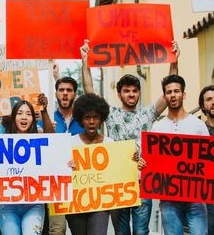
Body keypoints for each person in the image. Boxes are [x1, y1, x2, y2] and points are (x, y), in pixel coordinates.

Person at [80, 39, 180, 235]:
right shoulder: (111, 113)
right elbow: (89, 91)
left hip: (143, 182)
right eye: (127, 91)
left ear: (139, 93)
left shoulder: (148, 113)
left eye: (134, 91)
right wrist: (85, 62)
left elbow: (169, 90)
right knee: (122, 232)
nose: (131, 94)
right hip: (117, 182)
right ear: (119, 95)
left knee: (142, 231)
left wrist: (174, 62)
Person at [0, 94, 55, 235]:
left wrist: (44, 110)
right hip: (7, 206)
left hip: (34, 205)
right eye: (20, 113)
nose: (24, 117)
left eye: (28, 114)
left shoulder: (39, 136)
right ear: (14, 118)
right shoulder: (0, 140)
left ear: (33, 119)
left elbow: (52, 140)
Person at [149, 75, 209, 235]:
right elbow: (153, 162)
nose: (173, 95)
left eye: (176, 91)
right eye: (169, 92)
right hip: (169, 198)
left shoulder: (198, 125)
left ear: (184, 94)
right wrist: (144, 164)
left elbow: (208, 160)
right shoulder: (157, 129)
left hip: (196, 197)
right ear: (165, 96)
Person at [39, 76, 84, 235]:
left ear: (75, 94)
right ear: (56, 94)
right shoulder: (46, 119)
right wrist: (46, 130)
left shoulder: (84, 120)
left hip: (80, 187)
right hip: (55, 186)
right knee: (56, 231)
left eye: (69, 90)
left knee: (80, 231)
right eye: (61, 90)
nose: (65, 93)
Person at [66, 93, 112, 235]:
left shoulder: (110, 144)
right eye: (87, 118)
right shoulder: (70, 143)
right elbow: (60, 172)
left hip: (101, 204)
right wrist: (67, 166)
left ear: (101, 119)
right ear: (81, 120)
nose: (91, 121)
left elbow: (116, 173)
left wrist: (131, 159)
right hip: (76, 205)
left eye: (95, 117)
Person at [199, 85, 214, 235]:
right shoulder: (198, 130)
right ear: (203, 106)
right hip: (208, 197)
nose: (213, 102)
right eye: (209, 100)